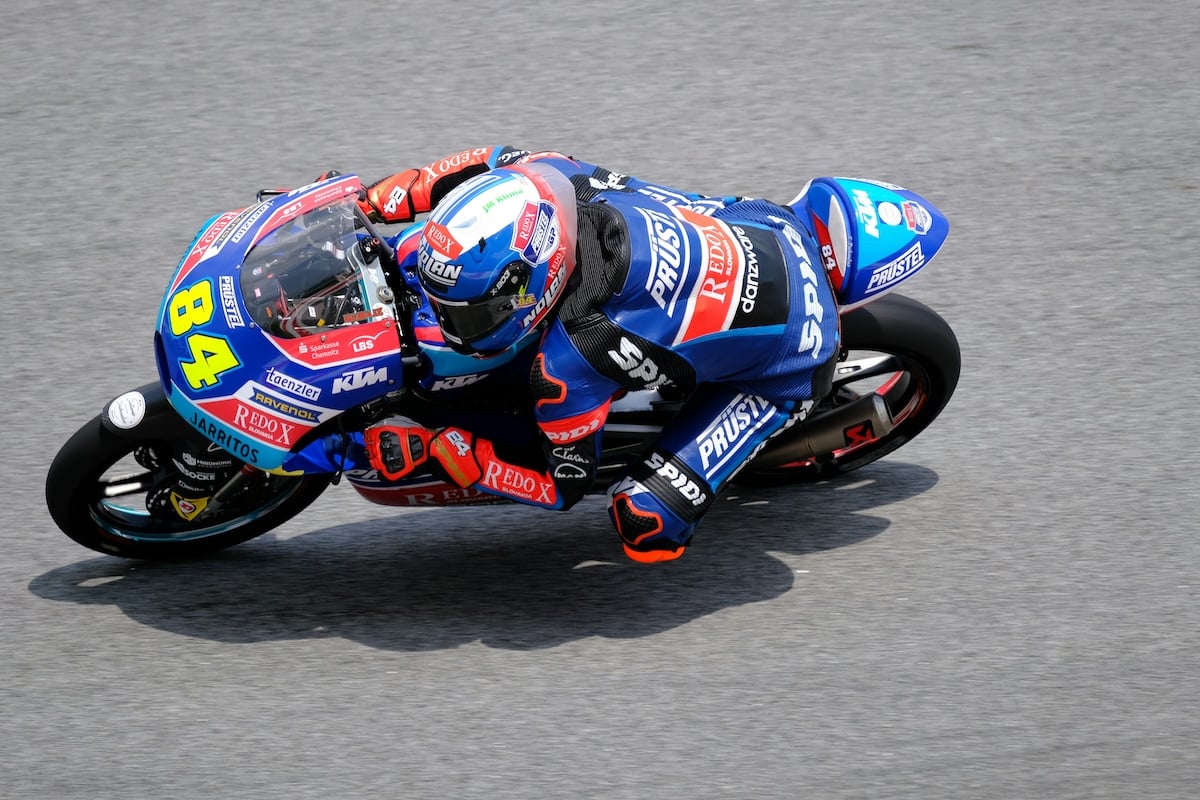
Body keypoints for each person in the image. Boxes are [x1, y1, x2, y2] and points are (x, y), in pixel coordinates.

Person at [356, 146, 842, 563]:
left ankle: (733, 426)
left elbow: (562, 486)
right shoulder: (548, 179)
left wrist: (464, 456)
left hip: (795, 350)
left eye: (463, 314)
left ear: (533, 291)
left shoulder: (576, 353)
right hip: (764, 223)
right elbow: (485, 162)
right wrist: (382, 197)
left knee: (645, 522)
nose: (444, 320)